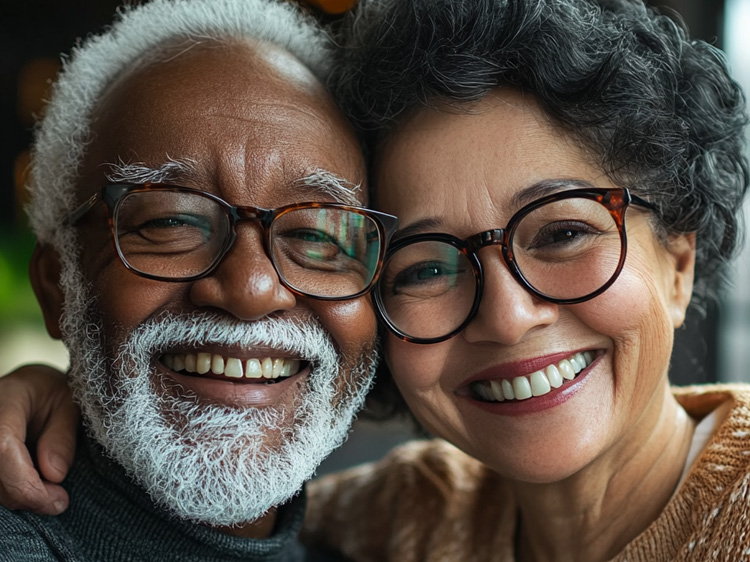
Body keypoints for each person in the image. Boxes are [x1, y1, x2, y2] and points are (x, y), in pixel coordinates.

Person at [2, 0, 750, 560]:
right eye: (426, 265)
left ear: (679, 261)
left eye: (562, 232)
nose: (508, 314)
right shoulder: (392, 521)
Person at [0, 0, 398, 560]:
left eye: (316, 237)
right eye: (172, 222)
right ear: (57, 287)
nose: (251, 290)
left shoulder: (390, 535)